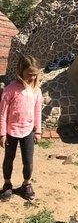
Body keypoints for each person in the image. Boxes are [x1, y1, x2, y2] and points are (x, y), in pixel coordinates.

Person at [0, 56, 43, 202]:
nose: (32, 77)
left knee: (28, 160)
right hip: (11, 132)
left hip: (28, 131)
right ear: (21, 71)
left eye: (35, 74)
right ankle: (7, 184)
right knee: (9, 158)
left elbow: (38, 112)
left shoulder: (36, 91)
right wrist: (2, 133)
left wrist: (38, 131)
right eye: (29, 74)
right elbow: (3, 113)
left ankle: (26, 184)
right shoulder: (10, 90)